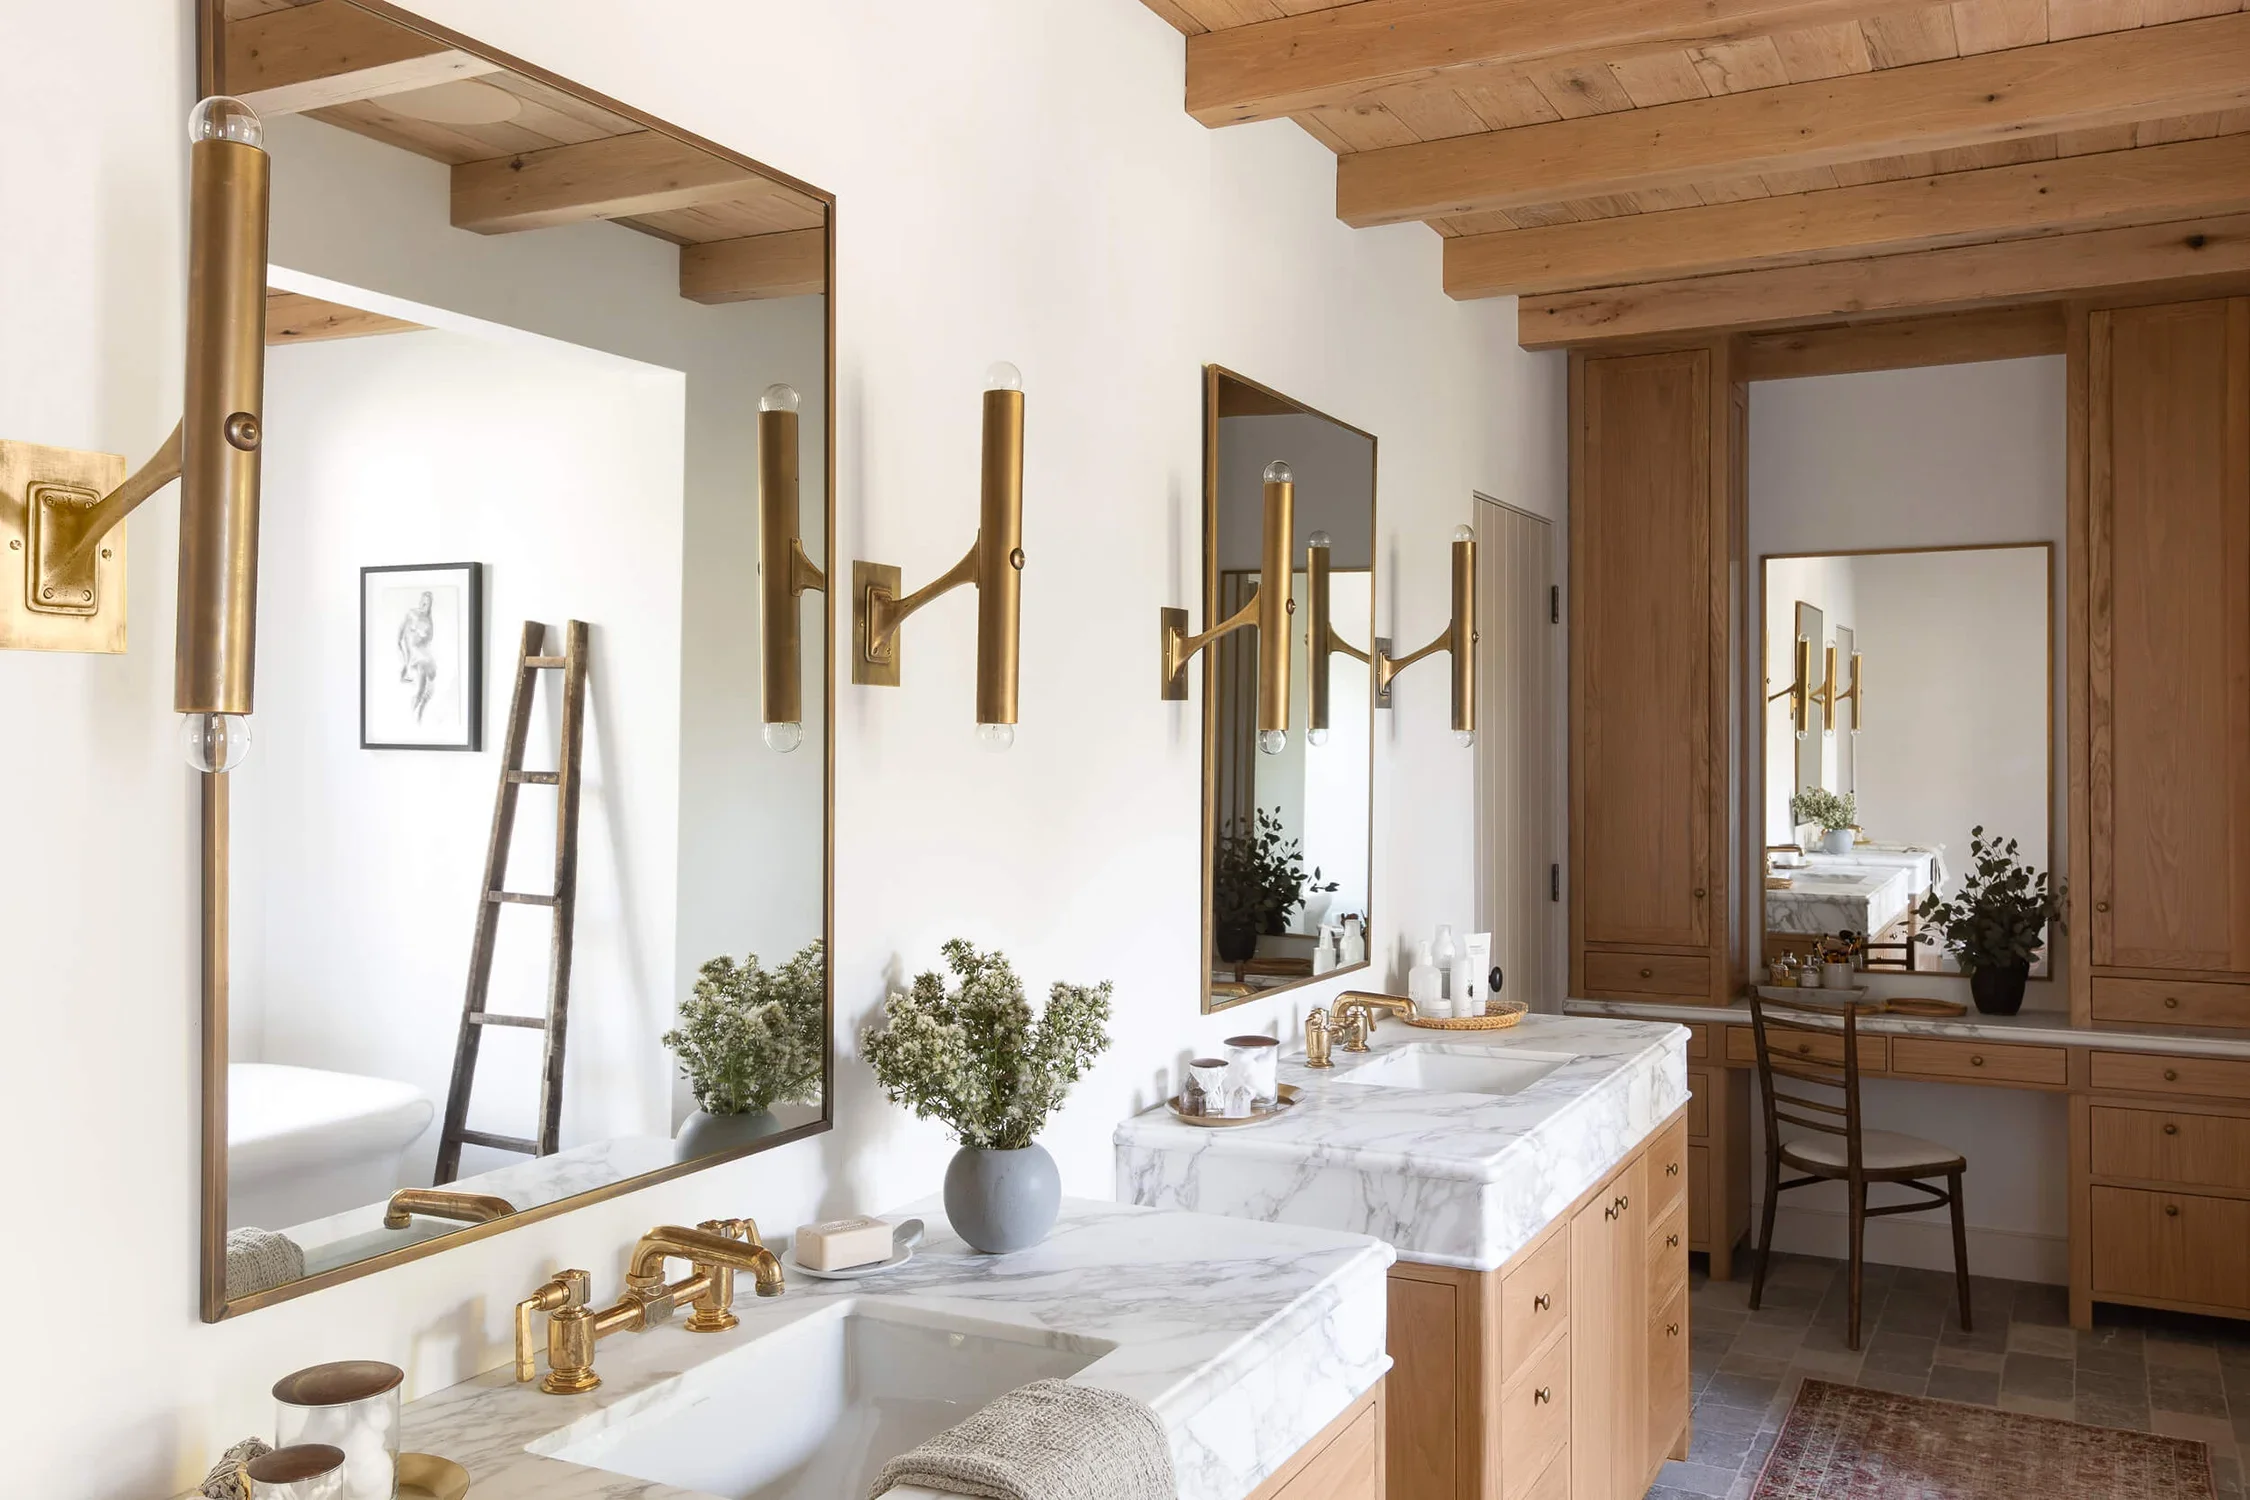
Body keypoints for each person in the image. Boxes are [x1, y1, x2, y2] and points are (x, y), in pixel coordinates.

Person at [397, 590, 438, 721]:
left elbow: (429, 639)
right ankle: (414, 714)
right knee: (421, 688)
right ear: (420, 602)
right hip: (414, 654)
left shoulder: (429, 620)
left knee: (430, 689)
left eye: (428, 604)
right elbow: (401, 634)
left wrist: (423, 636)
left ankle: (419, 712)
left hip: (423, 653)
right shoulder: (411, 614)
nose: (424, 605)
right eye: (423, 602)